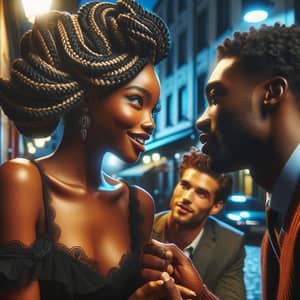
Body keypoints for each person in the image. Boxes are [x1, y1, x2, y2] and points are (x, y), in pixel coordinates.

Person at [0, 1, 193, 299]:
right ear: (89, 96)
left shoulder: (139, 205)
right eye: (137, 101)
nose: (150, 123)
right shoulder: (22, 182)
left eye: (154, 111)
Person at [142, 23, 300, 300]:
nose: (201, 119)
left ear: (271, 94)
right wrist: (200, 294)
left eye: (215, 97)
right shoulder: (278, 212)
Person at [152, 147, 246, 300]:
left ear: (216, 206)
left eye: (201, 193)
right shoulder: (144, 228)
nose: (187, 197)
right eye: (185, 186)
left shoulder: (230, 243)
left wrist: (198, 292)